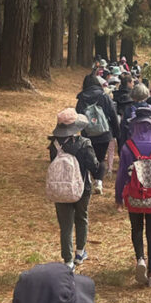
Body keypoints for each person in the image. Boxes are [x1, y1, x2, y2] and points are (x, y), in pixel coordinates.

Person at [115, 104, 151, 288]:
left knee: (136, 228)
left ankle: (140, 258)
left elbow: (121, 175)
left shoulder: (127, 147)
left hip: (133, 195)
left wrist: (118, 197)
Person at [48, 109, 103, 270]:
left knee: (65, 225)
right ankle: (80, 252)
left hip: (60, 189)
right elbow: (93, 165)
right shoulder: (84, 143)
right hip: (82, 188)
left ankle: (68, 260)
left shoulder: (54, 145)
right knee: (82, 218)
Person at [76, 74, 120, 196]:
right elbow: (113, 114)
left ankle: (88, 181)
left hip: (87, 133)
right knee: (100, 159)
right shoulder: (104, 96)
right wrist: (116, 133)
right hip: (104, 133)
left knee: (88, 157)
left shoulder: (82, 98)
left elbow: (78, 115)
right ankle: (99, 182)